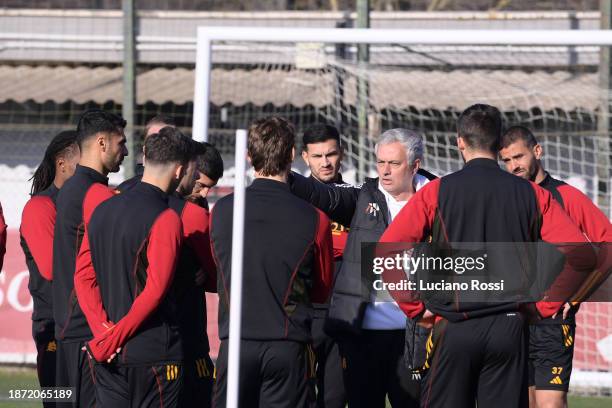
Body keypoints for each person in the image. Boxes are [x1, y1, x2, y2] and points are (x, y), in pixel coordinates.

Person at [379, 104, 595, 408]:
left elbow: (386, 251)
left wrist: (415, 309)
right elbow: (583, 256)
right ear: (498, 143)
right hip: (509, 328)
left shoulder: (436, 191)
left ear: (459, 142)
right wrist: (545, 307)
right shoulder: (534, 194)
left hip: (454, 326)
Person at [289, 128, 435, 408]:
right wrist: (279, 171)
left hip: (416, 333)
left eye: (394, 163)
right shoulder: (364, 196)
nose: (385, 171)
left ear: (415, 165)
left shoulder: (439, 198)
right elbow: (324, 195)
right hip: (363, 335)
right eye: (381, 162)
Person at [210, 116, 334, 408]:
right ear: (292, 154)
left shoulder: (221, 210)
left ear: (249, 155)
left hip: (236, 343)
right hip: (287, 345)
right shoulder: (314, 217)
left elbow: (216, 265)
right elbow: (322, 289)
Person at [74, 127, 192, 407]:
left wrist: (104, 333)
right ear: (179, 171)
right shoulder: (167, 218)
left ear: (144, 157)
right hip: (152, 354)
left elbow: (83, 277)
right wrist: (110, 339)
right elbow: (154, 293)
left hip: (108, 354)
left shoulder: (103, 208)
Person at [499, 126, 612, 408]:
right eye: (507, 160)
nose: (514, 166)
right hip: (512, 318)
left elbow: (607, 242)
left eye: (518, 157)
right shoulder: (504, 199)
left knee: (550, 404)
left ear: (537, 151)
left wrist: (577, 296)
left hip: (552, 321)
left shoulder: (565, 196)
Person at [52, 109, 127, 407]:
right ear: (102, 143)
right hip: (86, 331)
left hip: (74, 328)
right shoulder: (90, 193)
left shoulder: (76, 189)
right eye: (121, 143)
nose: (125, 151)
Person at [20, 130, 80, 402]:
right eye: (84, 162)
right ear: (62, 163)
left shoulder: (90, 202)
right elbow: (53, 269)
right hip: (55, 328)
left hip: (87, 329)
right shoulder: (41, 207)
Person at [168, 140, 218, 407]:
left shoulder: (196, 206)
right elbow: (215, 275)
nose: (204, 193)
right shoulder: (186, 211)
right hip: (175, 329)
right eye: (201, 184)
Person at [301, 123, 348, 408]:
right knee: (299, 395)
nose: (325, 162)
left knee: (335, 397)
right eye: (317, 156)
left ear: (341, 154)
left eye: (330, 154)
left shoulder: (359, 197)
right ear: (304, 157)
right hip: (304, 312)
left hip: (344, 313)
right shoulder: (295, 201)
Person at [116, 114, 176, 191]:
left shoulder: (187, 190)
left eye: (166, 140)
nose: (160, 146)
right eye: (154, 140)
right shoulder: (125, 191)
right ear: (144, 148)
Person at [186, 142, 224, 209]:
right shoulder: (164, 202)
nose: (204, 194)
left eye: (209, 188)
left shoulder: (202, 205)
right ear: (188, 170)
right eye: (201, 185)